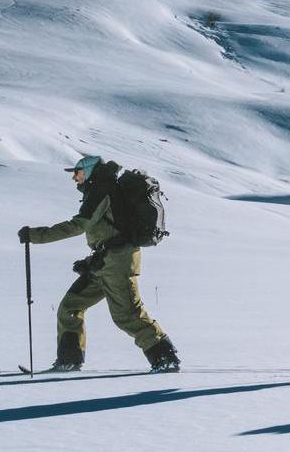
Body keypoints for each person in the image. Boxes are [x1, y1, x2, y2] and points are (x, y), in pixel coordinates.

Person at [18, 156, 179, 373]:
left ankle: (165, 358)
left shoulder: (102, 189)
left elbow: (78, 225)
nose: (74, 178)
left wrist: (35, 235)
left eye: (77, 172)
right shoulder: (101, 189)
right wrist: (90, 261)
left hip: (117, 262)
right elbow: (109, 231)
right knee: (70, 306)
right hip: (105, 261)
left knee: (127, 315)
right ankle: (69, 360)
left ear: (89, 170)